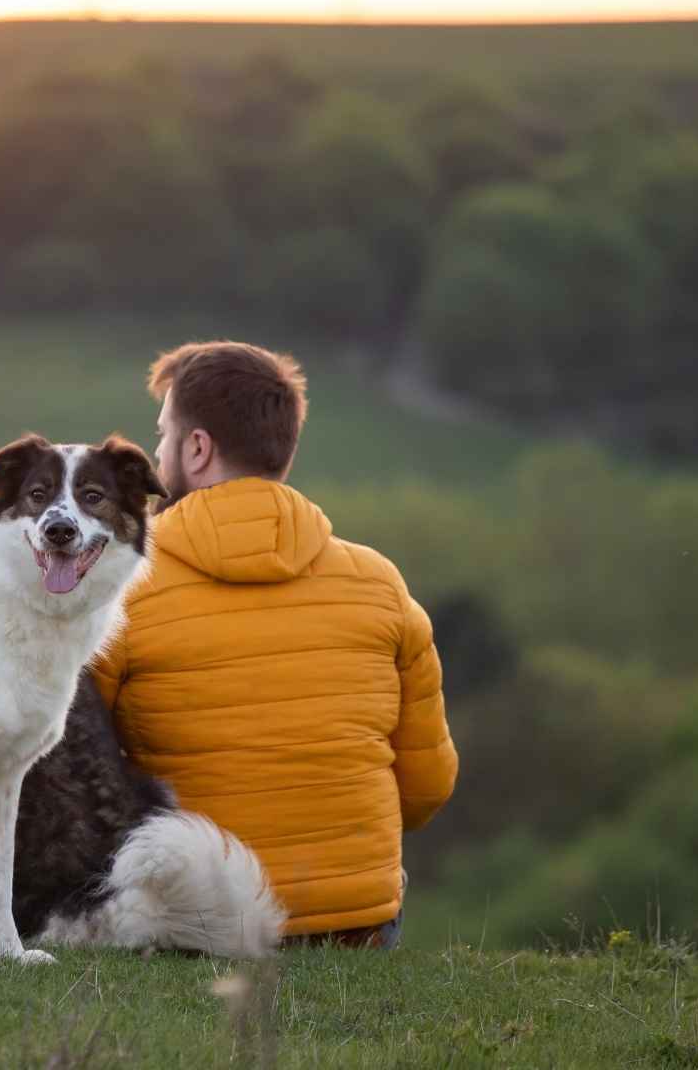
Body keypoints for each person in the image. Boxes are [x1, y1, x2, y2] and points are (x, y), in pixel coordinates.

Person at [91, 341, 457, 947]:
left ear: (198, 447)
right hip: (357, 924)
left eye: (162, 437)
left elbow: (71, 777)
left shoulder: (120, 591)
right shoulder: (381, 584)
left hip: (197, 927)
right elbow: (427, 790)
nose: (156, 457)